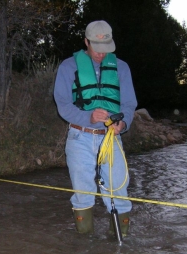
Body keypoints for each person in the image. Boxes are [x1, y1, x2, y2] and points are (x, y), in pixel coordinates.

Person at [54, 20, 137, 236]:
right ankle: (85, 244)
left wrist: (123, 122)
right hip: (79, 138)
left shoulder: (122, 67)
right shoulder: (67, 67)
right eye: (96, 49)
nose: (101, 54)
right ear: (86, 42)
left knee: (118, 192)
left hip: (111, 138)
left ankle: (120, 244)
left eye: (105, 50)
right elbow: (63, 105)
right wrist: (87, 117)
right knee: (82, 194)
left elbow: (129, 104)